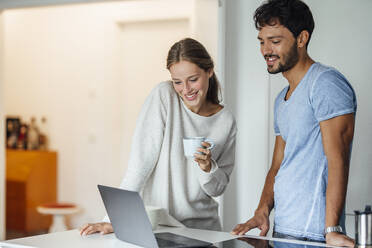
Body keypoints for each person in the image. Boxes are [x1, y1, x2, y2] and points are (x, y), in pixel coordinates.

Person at [80, 38, 237, 235]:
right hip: (159, 227)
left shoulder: (226, 120)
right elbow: (140, 165)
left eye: (193, 79)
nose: (186, 90)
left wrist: (207, 167)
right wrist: (115, 220)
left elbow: (217, 189)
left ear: (209, 71)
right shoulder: (164, 96)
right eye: (177, 82)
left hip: (204, 230)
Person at [231, 0, 356, 247]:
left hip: (314, 234)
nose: (266, 50)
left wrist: (332, 229)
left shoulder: (325, 84)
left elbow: (336, 159)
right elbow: (278, 165)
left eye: (275, 41)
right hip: (283, 230)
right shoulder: (282, 98)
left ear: (302, 38)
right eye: (262, 41)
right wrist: (262, 211)